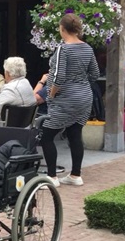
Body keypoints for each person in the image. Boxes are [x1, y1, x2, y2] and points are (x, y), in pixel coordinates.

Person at [41, 13, 100, 187]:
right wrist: (80, 84)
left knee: (46, 136)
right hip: (84, 97)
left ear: (62, 29)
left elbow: (59, 76)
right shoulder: (87, 48)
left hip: (65, 98)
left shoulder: (63, 49)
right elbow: (95, 73)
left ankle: (52, 177)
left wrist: (51, 94)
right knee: (75, 134)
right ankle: (75, 175)